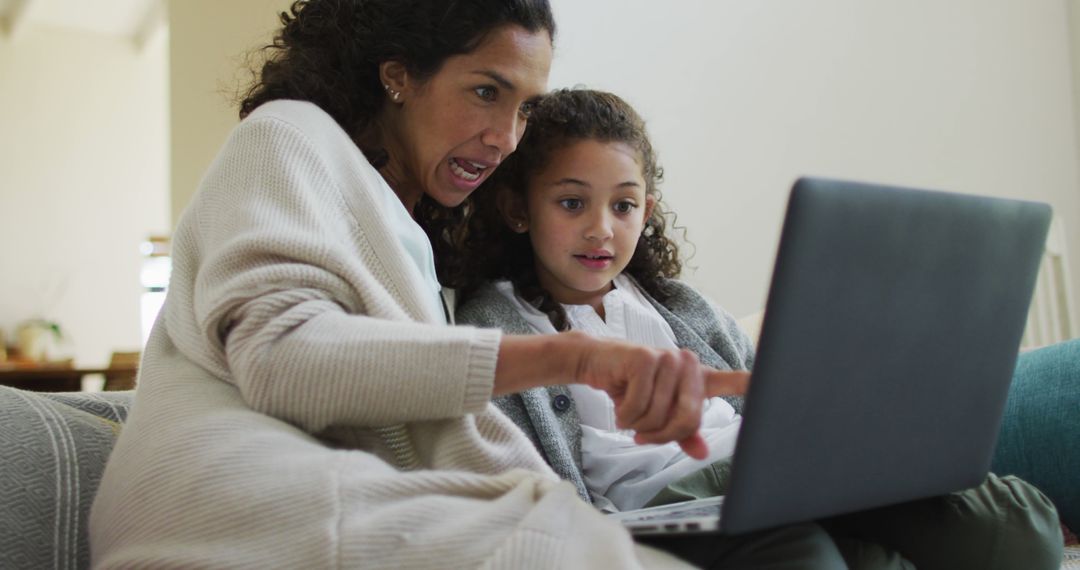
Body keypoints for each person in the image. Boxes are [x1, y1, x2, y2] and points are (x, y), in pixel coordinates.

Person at [88, 1, 757, 568]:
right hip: (225, 503)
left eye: (525, 108)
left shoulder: (411, 235)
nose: (505, 138)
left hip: (335, 495)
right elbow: (281, 360)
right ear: (398, 75)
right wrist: (577, 358)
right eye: (486, 92)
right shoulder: (288, 136)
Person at [449, 87, 1065, 569]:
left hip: (767, 473)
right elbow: (518, 475)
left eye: (624, 204)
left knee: (1017, 529)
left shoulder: (680, 306)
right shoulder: (498, 322)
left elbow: (762, 399)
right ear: (517, 209)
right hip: (668, 502)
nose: (602, 229)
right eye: (572, 202)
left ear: (647, 210)